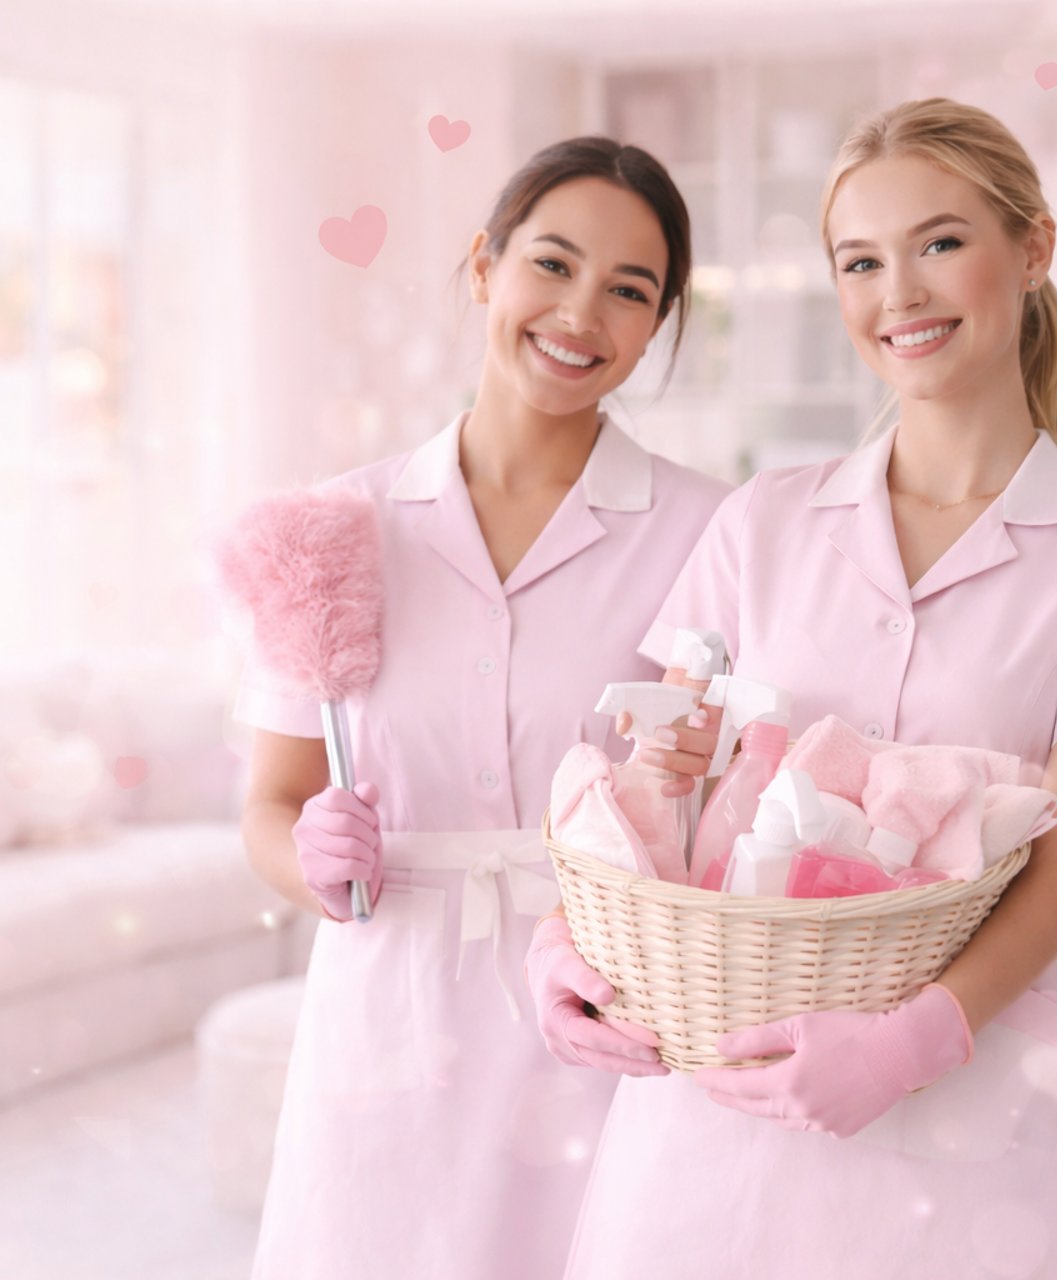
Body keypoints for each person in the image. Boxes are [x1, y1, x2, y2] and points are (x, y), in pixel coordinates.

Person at [543, 98, 1057, 1280]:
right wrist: (570, 935)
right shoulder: (760, 524)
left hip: (987, 1116)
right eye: (860, 260)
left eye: (940, 242)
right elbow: (651, 783)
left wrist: (910, 1042)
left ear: (1035, 249)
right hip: (724, 1103)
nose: (897, 292)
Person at [232, 136, 732, 1280]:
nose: (579, 312)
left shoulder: (711, 530)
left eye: (628, 290)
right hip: (388, 1011)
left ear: (656, 326)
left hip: (609, 1002)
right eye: (551, 265)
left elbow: (727, 799)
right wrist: (304, 856)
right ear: (483, 269)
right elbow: (270, 801)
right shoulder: (335, 527)